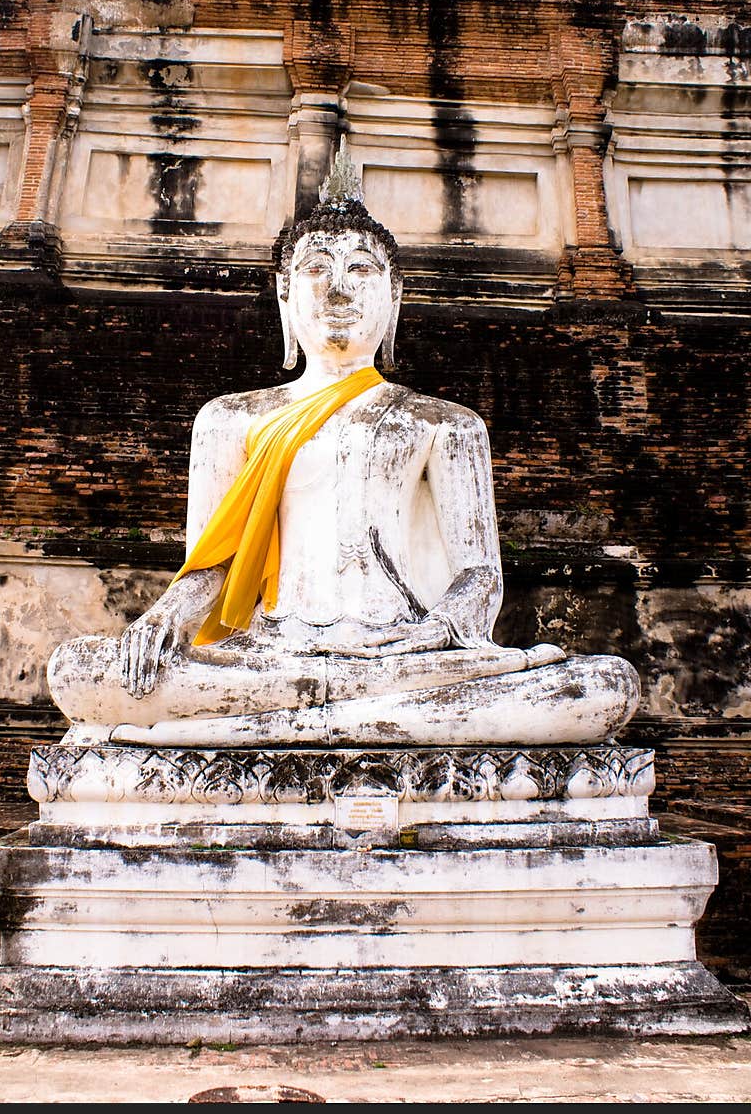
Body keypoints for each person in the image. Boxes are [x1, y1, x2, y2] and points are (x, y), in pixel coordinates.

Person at [48, 143, 639, 747]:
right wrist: (166, 616)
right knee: (77, 673)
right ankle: (346, 727)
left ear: (395, 295)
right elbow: (210, 569)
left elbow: (480, 576)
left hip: (403, 657)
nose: (338, 289)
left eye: (361, 270)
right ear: (284, 295)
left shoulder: (444, 423)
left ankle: (262, 733)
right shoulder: (229, 420)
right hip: (273, 655)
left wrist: (436, 631)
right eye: (315, 270)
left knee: (601, 687)